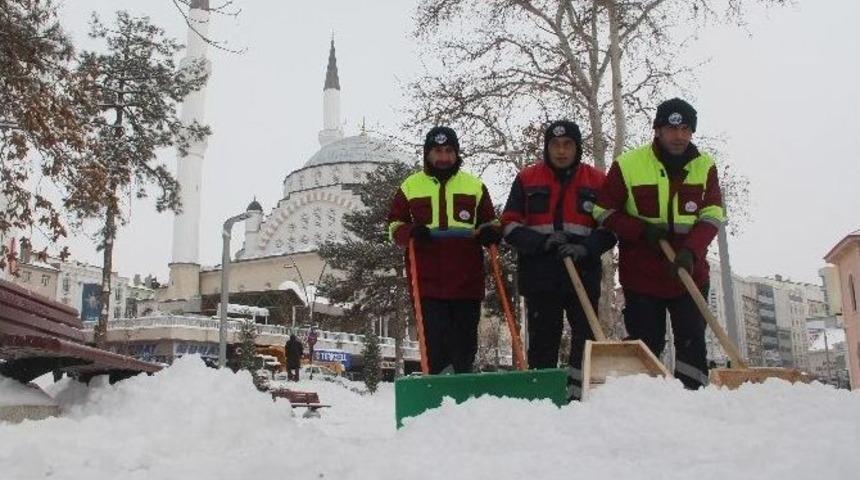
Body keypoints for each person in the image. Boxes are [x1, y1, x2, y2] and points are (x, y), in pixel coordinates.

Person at [592, 98, 726, 389]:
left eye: (686, 129)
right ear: (657, 130)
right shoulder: (628, 165)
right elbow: (603, 210)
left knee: (692, 344)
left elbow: (713, 213)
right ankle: (646, 406)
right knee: (645, 346)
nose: (678, 136)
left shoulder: (705, 167)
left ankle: (694, 401)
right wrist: (641, 230)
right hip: (643, 276)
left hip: (689, 271)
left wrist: (692, 250)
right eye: (671, 129)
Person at [500, 120, 616, 394]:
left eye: (568, 145)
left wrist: (585, 248)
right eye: (555, 145)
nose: (561, 151)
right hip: (541, 272)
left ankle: (580, 393)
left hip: (583, 270)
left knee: (585, 337)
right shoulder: (527, 179)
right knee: (543, 338)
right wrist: (541, 242)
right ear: (546, 147)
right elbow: (509, 225)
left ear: (578, 148)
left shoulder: (597, 181)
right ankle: (544, 394)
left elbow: (611, 228)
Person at [387, 126, 502, 374]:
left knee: (464, 345)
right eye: (437, 151)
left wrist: (492, 232)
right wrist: (410, 233)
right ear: (428, 154)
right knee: (435, 345)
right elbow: (394, 225)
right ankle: (438, 395)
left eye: (449, 151)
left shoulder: (474, 186)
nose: (443, 157)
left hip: (466, 282)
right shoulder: (410, 186)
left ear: (456, 153)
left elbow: (490, 222)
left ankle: (463, 396)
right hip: (428, 283)